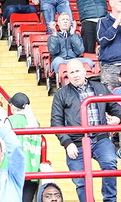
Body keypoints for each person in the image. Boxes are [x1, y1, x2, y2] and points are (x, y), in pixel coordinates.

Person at [51, 58, 121, 202]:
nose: (75, 75)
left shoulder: (100, 88)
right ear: (67, 76)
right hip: (76, 142)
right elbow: (56, 121)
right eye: (72, 72)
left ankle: (110, 200)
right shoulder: (61, 94)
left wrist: (118, 119)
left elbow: (115, 108)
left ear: (84, 71)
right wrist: (67, 143)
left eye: (77, 71)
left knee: (110, 164)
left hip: (101, 138)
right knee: (80, 179)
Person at [4, 92, 42, 202]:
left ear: (12, 106)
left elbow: (4, 144)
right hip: (32, 171)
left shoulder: (10, 120)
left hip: (13, 170)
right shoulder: (36, 123)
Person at [97, 0, 121, 94]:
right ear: (111, 3)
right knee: (110, 101)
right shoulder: (103, 21)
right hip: (110, 66)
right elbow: (102, 41)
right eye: (120, 1)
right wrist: (117, 22)